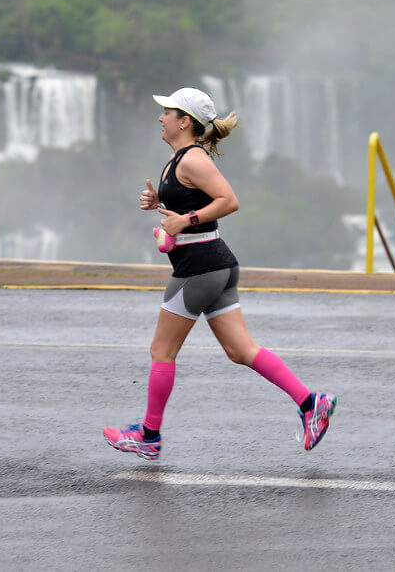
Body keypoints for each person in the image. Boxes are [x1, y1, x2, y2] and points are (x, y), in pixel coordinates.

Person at [103, 87, 337, 460]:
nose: (160, 117)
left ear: (185, 122)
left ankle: (148, 435)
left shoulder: (192, 159)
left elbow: (229, 200)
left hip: (199, 268)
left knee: (161, 350)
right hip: (216, 266)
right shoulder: (177, 159)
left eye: (167, 112)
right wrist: (159, 203)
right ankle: (312, 403)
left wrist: (187, 220)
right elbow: (192, 200)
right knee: (240, 350)